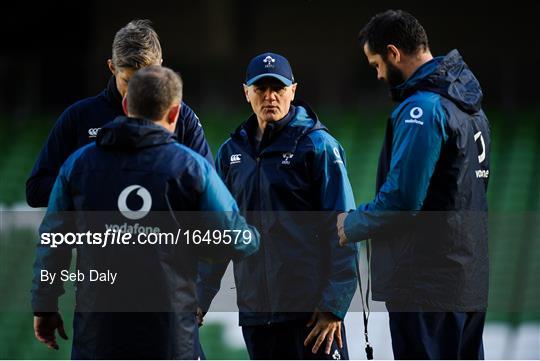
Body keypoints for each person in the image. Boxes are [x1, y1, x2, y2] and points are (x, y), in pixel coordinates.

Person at [31, 65, 259, 359]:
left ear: (126, 106)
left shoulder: (78, 164)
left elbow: (53, 242)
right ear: (175, 113)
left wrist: (45, 305)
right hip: (169, 336)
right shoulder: (191, 168)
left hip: (97, 336)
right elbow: (234, 239)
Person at [337, 10, 491, 359]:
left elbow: (403, 199)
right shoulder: (472, 110)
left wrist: (352, 224)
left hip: (426, 285)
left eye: (376, 63)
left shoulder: (422, 109)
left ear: (394, 53)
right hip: (467, 280)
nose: (377, 74)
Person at [197, 52, 358, 360]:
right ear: (246, 92)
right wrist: (199, 297)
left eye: (279, 88)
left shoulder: (318, 146)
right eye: (261, 88)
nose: (270, 97)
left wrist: (333, 306)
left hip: (313, 318)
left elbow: (343, 228)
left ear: (293, 91)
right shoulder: (231, 153)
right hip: (258, 316)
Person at [26, 19, 213, 208]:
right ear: (112, 67)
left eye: (147, 80)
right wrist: (93, 183)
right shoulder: (78, 116)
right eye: (129, 81)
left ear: (160, 68)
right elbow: (35, 190)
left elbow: (207, 190)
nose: (138, 91)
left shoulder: (182, 116)